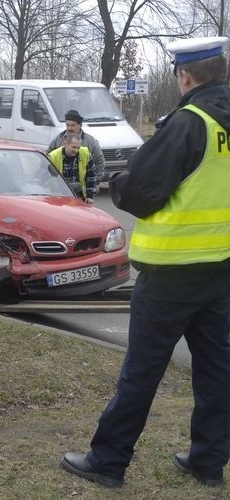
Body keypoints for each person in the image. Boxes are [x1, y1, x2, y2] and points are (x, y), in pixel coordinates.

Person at [60, 36, 230, 488]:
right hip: (221, 271)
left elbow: (138, 192)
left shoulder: (188, 123)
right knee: (217, 371)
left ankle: (108, 460)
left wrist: (119, 183)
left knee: (142, 370)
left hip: (171, 274)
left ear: (187, 76)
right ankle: (208, 462)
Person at [47, 109, 106, 182]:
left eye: (73, 125)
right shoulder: (59, 139)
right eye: (67, 125)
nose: (69, 128)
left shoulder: (90, 141)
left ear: (80, 125)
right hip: (61, 186)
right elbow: (48, 157)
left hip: (82, 186)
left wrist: (96, 181)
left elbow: (99, 161)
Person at [48, 132, 97, 204]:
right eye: (74, 147)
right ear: (65, 144)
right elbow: (45, 179)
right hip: (58, 196)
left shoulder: (86, 154)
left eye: (78, 147)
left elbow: (91, 176)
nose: (76, 150)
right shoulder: (53, 157)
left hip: (78, 194)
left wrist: (90, 196)